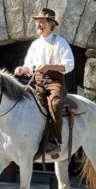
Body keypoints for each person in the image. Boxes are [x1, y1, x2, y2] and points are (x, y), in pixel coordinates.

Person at [14, 8, 74, 159]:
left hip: (54, 82)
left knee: (54, 103)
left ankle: (54, 141)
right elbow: (29, 66)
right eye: (38, 22)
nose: (38, 24)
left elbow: (69, 65)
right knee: (22, 100)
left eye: (42, 22)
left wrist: (49, 66)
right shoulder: (35, 44)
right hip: (37, 82)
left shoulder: (61, 42)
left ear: (51, 24)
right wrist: (22, 69)